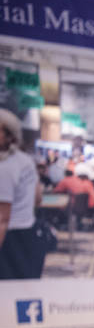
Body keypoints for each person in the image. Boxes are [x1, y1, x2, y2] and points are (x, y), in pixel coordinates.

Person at [0, 108, 44, 279]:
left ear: (9, 135)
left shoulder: (4, 167)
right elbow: (37, 198)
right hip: (28, 233)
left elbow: (2, 220)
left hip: (9, 239)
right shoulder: (25, 160)